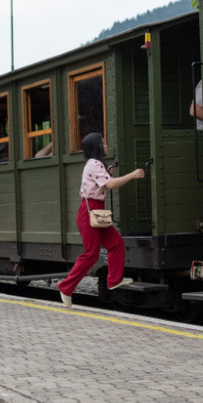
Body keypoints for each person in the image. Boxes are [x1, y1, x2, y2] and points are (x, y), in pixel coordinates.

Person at [56, 132, 145, 308]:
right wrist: (132, 175)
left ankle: (114, 280)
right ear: (97, 147)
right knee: (91, 253)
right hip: (89, 212)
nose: (106, 146)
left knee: (116, 243)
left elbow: (104, 182)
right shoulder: (94, 164)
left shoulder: (94, 164)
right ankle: (65, 287)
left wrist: (108, 173)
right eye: (103, 144)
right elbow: (110, 184)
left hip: (97, 211)